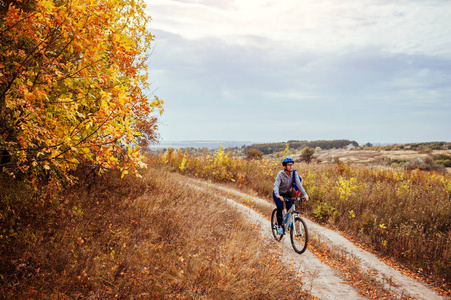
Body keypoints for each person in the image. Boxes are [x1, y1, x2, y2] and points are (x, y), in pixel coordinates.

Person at [273, 157, 309, 234]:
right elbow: (276, 186)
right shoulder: (280, 174)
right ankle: (280, 226)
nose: (291, 166)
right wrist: (278, 195)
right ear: (285, 166)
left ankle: (287, 221)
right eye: (289, 165)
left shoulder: (294, 173)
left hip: (286, 193)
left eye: (292, 165)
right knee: (280, 207)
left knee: (290, 208)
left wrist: (305, 194)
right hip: (278, 193)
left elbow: (299, 185)